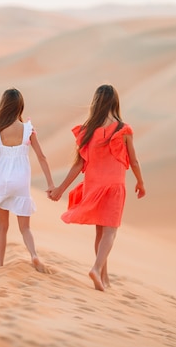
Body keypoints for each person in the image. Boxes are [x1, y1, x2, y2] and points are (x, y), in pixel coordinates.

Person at [48, 84, 146, 291]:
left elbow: (78, 164)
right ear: (115, 102)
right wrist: (140, 182)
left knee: (100, 233)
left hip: (94, 186)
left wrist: (60, 189)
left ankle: (104, 276)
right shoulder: (124, 130)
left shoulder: (89, 130)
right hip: (115, 186)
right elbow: (134, 161)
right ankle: (96, 268)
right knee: (110, 233)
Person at [0, 88, 55, 273]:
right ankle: (33, 255)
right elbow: (42, 157)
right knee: (25, 228)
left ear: (3, 106)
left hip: (1, 181)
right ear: (20, 106)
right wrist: (50, 184)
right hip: (21, 180)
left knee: (2, 226)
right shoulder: (28, 129)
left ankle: (0, 265)